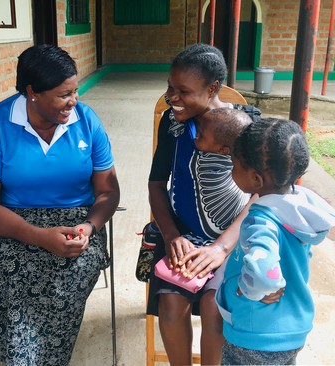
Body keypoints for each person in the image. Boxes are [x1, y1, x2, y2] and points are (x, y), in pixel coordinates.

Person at [0, 44, 120, 365]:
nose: (74, 101)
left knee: (66, 282)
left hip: (78, 223)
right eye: (63, 94)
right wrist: (38, 236)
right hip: (14, 223)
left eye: (75, 91)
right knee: (7, 283)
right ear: (32, 92)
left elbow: (109, 192)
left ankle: (35, 358)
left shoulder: (87, 122)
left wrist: (89, 227)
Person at [147, 43, 261, 365]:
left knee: (216, 307)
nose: (172, 97)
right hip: (182, 235)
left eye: (183, 90)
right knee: (171, 304)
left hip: (233, 237)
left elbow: (261, 193)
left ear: (212, 88)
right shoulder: (173, 124)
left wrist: (222, 248)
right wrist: (171, 236)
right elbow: (156, 184)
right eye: (170, 87)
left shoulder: (247, 123)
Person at [216, 118, 335, 365]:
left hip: (256, 332)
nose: (231, 171)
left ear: (257, 179)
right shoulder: (299, 206)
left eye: (234, 166)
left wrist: (249, 289)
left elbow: (265, 274)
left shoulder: (260, 222)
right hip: (292, 328)